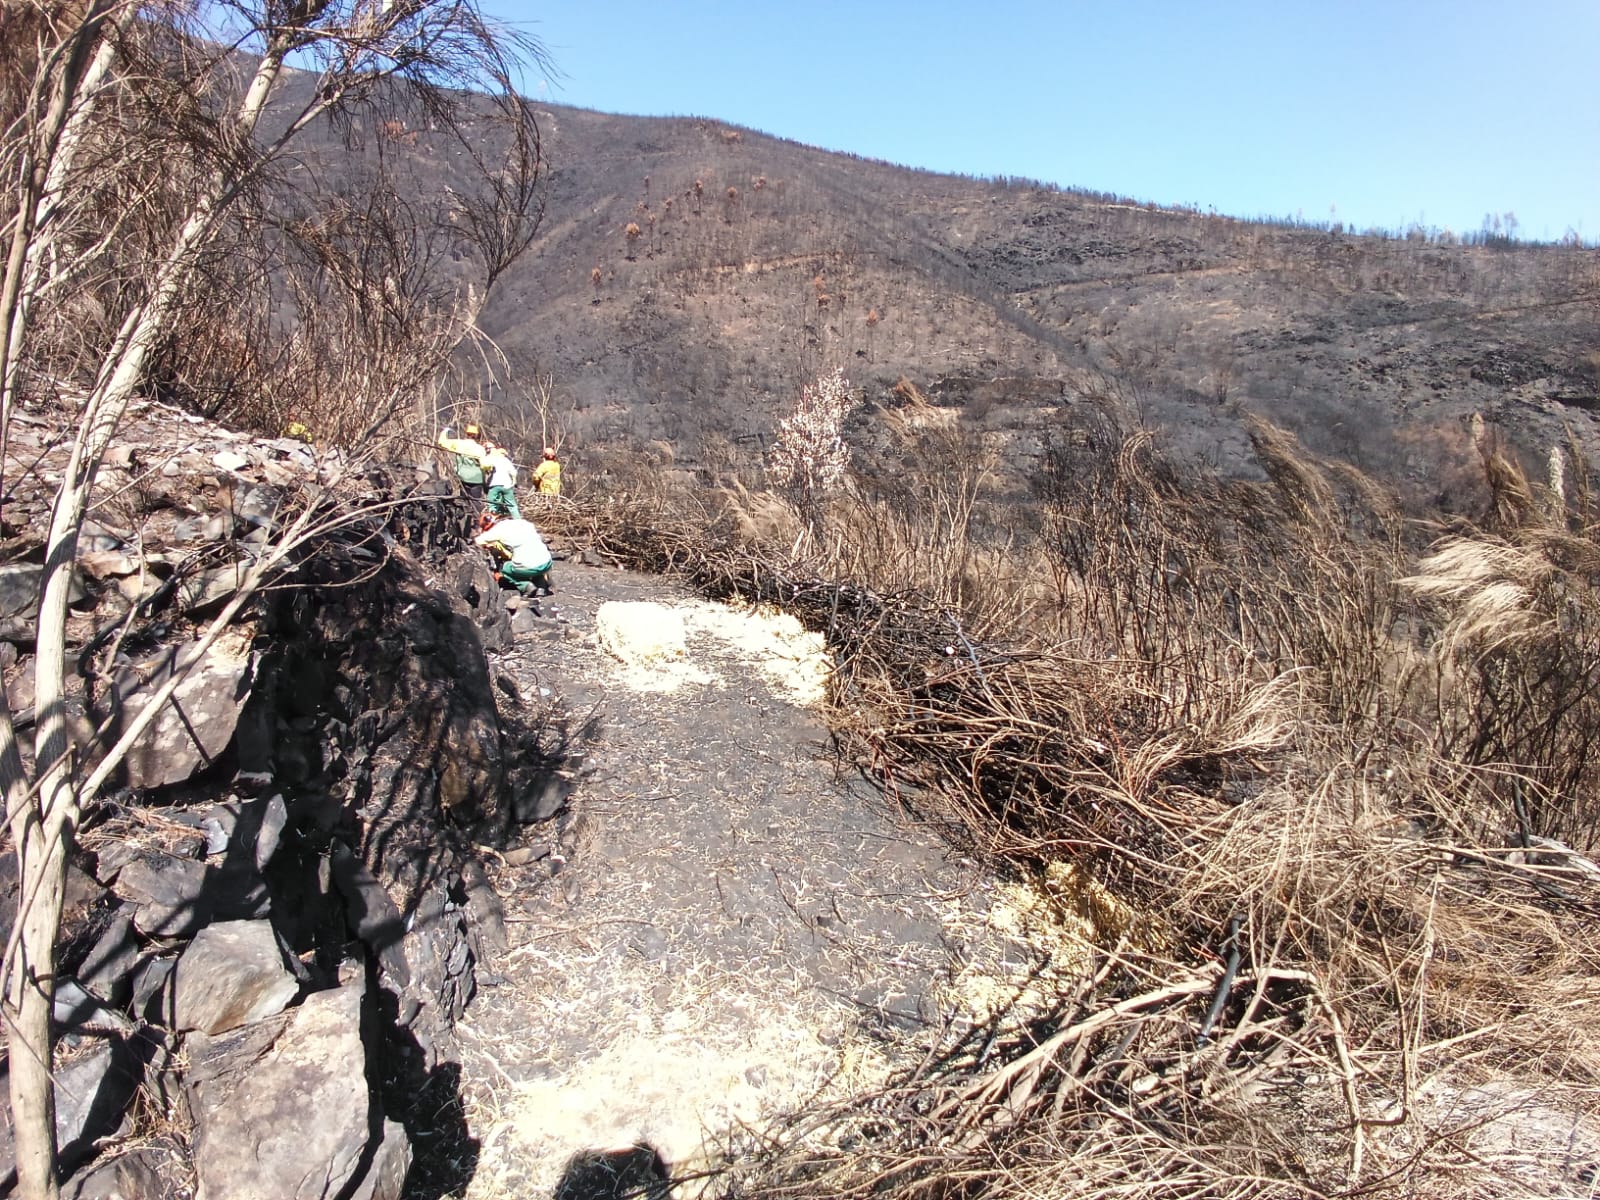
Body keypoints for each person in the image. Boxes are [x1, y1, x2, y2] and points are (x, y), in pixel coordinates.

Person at [475, 512, 554, 595]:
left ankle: (526, 586)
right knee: (535, 563)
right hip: (547, 562)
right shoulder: (522, 523)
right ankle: (541, 587)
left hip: (528, 567)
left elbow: (479, 541)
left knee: (505, 569)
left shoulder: (497, 530)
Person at [437, 423, 487, 500]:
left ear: (466, 434)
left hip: (463, 477)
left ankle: (467, 510)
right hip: (477, 478)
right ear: (477, 436)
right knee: (476, 501)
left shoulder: (458, 444)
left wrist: (445, 430)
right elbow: (484, 465)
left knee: (465, 499)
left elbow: (441, 442)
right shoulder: (480, 449)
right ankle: (476, 511)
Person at [480, 439, 521, 519]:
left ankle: (491, 523)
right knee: (512, 505)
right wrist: (513, 482)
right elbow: (514, 472)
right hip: (507, 485)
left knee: (492, 505)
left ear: (488, 449)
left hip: (494, 485)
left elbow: (483, 467)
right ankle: (518, 521)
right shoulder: (505, 459)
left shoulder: (489, 458)